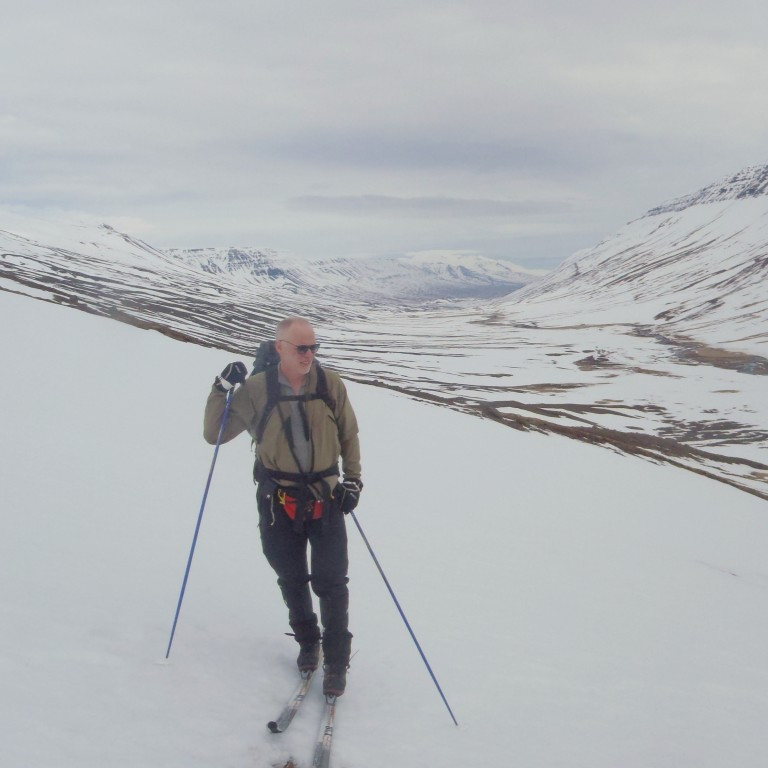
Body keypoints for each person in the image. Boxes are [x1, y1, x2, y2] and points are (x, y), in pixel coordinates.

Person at [203, 316, 362, 697]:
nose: (309, 355)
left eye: (314, 348)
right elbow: (215, 434)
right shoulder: (257, 390)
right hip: (278, 501)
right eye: (301, 348)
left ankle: (336, 661)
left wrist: (353, 480)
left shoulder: (330, 383)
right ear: (280, 348)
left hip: (326, 497)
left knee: (332, 583)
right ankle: (308, 644)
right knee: (291, 578)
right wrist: (220, 389)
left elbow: (349, 433)